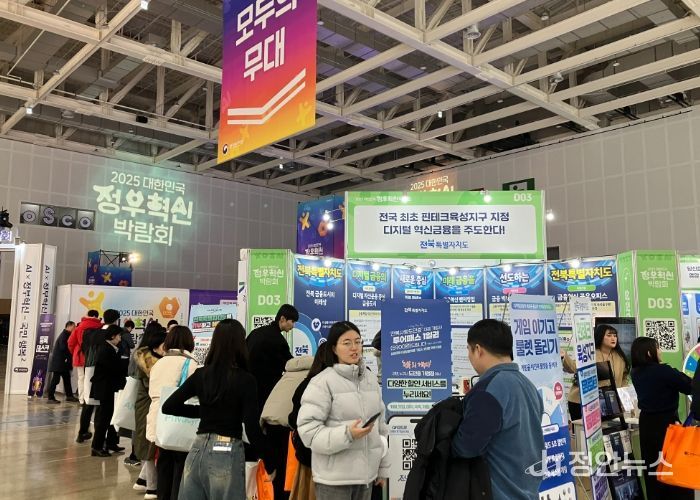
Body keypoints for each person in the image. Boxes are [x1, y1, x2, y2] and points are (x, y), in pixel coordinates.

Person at [162, 319, 272, 500]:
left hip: (197, 450)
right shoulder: (246, 380)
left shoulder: (201, 374)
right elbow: (251, 427)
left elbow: (169, 406)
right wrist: (269, 459)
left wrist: (204, 412)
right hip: (227, 450)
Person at [451, 319, 544, 500]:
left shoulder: (488, 390)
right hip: (527, 490)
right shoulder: (528, 385)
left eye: (469, 350)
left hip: (499, 492)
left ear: (478, 350)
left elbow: (466, 447)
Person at [298, 321, 390, 500]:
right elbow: (308, 432)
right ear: (334, 348)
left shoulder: (370, 380)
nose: (354, 348)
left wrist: (382, 468)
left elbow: (381, 428)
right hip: (334, 481)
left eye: (358, 342)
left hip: (366, 480)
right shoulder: (322, 382)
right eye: (347, 343)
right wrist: (347, 434)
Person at [630, 337, 693, 500]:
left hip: (646, 423)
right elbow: (689, 386)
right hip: (666, 424)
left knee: (652, 466)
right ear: (649, 352)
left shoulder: (635, 372)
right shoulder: (663, 371)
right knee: (674, 466)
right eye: (658, 348)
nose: (660, 351)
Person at [147, 326, 198, 500]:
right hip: (180, 420)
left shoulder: (159, 363)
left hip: (159, 420)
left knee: (163, 464)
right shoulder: (190, 364)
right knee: (180, 468)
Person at [261, 354, 314, 500]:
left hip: (270, 425)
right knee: (290, 477)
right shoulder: (312, 378)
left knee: (278, 477)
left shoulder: (286, 375)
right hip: (288, 428)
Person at [288, 342, 334, 500]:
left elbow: (293, 419)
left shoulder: (305, 384)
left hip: (308, 456)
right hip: (335, 460)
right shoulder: (342, 385)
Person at [562, 324, 630, 420]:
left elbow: (623, 378)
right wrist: (564, 356)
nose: (613, 338)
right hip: (581, 401)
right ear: (600, 337)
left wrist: (624, 399)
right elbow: (573, 367)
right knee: (582, 428)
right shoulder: (590, 353)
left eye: (615, 335)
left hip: (609, 401)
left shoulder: (619, 356)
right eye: (609, 335)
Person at [132, 322, 167, 500]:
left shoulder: (146, 357)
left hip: (144, 406)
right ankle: (152, 488)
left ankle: (142, 480)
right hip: (148, 406)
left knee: (149, 444)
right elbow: (155, 388)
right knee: (150, 446)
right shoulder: (152, 364)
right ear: (157, 346)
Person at [247, 304, 298, 412]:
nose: (293, 326)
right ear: (283, 319)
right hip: (268, 391)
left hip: (249, 388)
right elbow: (290, 365)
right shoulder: (279, 341)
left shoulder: (255, 333)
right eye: (292, 321)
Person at [90, 325, 127, 457]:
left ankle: (111, 443)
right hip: (105, 389)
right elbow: (111, 369)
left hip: (111, 387)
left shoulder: (112, 348)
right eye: (119, 336)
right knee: (104, 418)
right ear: (112, 336)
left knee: (112, 416)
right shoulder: (105, 349)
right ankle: (97, 446)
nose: (120, 338)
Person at [67, 309, 103, 442]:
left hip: (80, 356)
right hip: (93, 359)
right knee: (90, 380)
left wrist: (75, 352)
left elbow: (70, 342)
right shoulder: (100, 327)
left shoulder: (79, 326)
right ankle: (89, 398)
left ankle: (82, 399)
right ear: (97, 316)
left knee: (81, 379)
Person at [47, 321, 78, 403]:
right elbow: (63, 347)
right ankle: (50, 397)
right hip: (59, 362)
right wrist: (69, 354)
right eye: (74, 326)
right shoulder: (64, 335)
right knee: (55, 380)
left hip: (63, 362)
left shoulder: (67, 334)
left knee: (67, 379)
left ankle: (69, 396)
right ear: (69, 326)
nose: (74, 328)